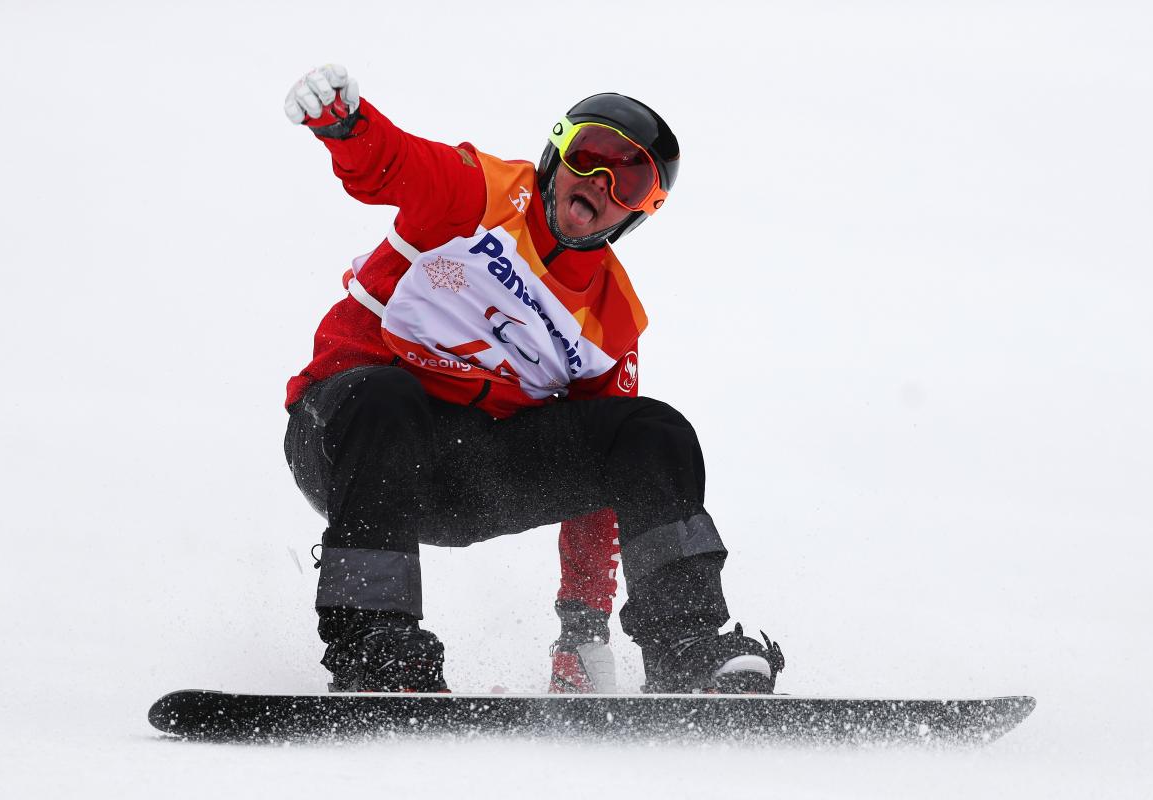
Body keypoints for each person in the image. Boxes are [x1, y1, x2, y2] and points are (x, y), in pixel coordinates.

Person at [281, 64, 784, 694]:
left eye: (628, 182)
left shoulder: (611, 319)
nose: (600, 183)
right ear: (556, 152)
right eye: (591, 155)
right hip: (348, 440)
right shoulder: (479, 192)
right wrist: (348, 126)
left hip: (468, 475)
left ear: (639, 212)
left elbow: (604, 490)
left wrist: (584, 626)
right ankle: (377, 650)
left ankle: (686, 648)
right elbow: (393, 163)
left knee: (652, 432)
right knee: (389, 395)